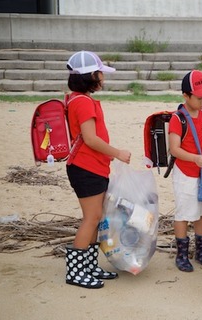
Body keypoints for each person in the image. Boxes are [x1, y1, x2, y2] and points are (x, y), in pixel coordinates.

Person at [64, 51, 131, 288]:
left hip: (92, 167)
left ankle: (89, 266)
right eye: (100, 73)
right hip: (86, 168)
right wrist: (118, 153)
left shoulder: (77, 99)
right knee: (91, 218)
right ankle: (75, 271)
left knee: (95, 217)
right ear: (91, 76)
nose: (103, 77)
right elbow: (90, 139)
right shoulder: (82, 102)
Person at [168, 70, 202, 272]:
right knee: (183, 213)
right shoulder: (178, 118)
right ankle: (181, 255)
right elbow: (174, 149)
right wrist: (195, 158)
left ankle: (201, 253)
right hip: (185, 173)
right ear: (186, 96)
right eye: (199, 97)